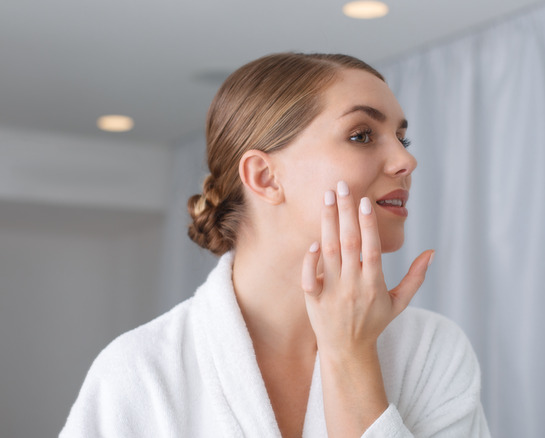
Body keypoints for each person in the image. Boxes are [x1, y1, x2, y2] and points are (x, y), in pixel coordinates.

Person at [61, 53, 490, 437]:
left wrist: (350, 356)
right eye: (362, 134)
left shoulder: (431, 349)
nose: (406, 160)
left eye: (402, 138)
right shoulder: (142, 371)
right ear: (265, 177)